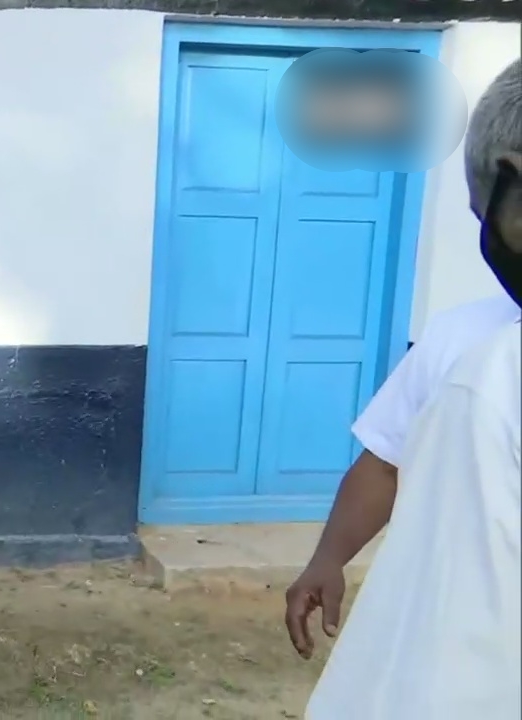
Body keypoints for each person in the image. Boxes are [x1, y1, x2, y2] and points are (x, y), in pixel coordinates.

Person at [300, 59, 522, 718]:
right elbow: (383, 461)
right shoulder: (464, 339)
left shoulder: (491, 379)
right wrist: (327, 560)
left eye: (484, 211)